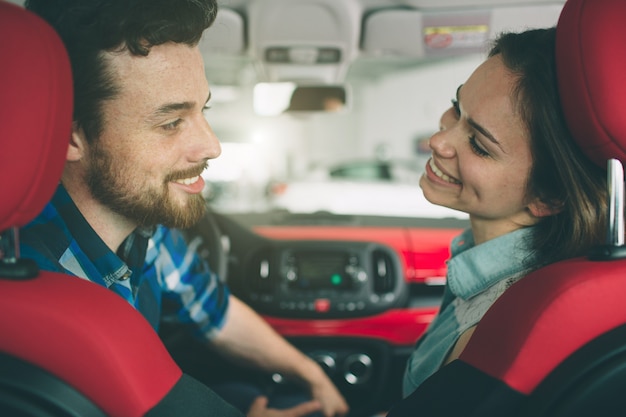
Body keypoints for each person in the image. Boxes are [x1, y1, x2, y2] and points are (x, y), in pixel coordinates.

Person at [18, 1, 349, 417]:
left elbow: (213, 311)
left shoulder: (143, 229)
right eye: (170, 123)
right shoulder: (39, 294)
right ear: (72, 136)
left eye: (202, 110)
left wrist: (311, 374)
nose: (211, 146)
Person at [401, 27, 608, 397]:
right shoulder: (487, 270)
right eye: (457, 107)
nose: (437, 140)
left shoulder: (492, 330)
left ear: (548, 197)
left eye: (479, 145)